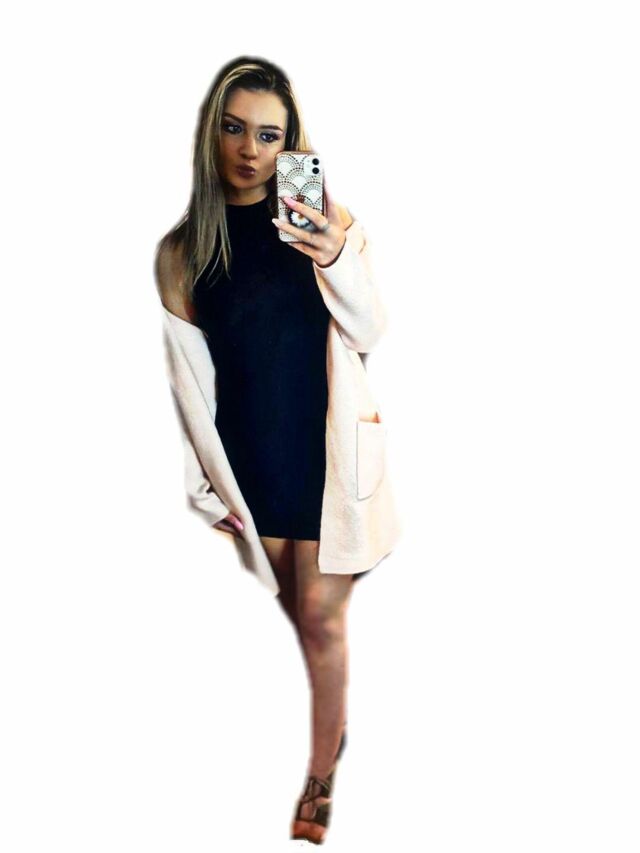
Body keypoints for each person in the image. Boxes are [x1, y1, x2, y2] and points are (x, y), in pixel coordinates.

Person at [154, 55, 401, 844]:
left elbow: (369, 329)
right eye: (234, 128)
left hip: (325, 449)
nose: (249, 149)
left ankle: (322, 769)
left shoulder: (322, 219)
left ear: (290, 142)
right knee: (297, 608)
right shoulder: (182, 251)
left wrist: (333, 255)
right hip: (251, 456)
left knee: (322, 619)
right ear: (211, 132)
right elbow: (190, 384)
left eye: (269, 135)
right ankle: (332, 715)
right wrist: (204, 485)